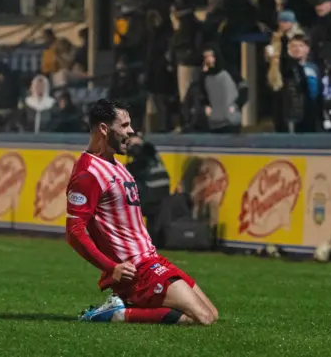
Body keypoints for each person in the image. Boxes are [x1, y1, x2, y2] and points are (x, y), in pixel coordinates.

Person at [66, 99, 218, 325]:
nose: (131, 131)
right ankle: (117, 314)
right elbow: (74, 232)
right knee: (202, 319)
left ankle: (126, 306)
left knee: (212, 314)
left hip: (152, 259)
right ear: (104, 129)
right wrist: (112, 268)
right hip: (135, 270)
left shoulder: (117, 165)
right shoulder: (87, 173)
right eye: (125, 125)